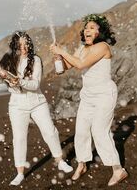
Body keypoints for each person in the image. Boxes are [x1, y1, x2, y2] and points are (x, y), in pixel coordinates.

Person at [50, 14, 128, 186]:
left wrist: (62, 51)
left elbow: (80, 65)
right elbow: (66, 68)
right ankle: (82, 164)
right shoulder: (82, 48)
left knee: (100, 132)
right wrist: (58, 59)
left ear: (100, 32)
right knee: (82, 131)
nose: (87, 30)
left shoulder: (103, 46)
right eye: (86, 28)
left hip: (104, 94)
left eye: (92, 28)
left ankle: (118, 170)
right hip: (88, 95)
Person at [0, 31, 73, 186]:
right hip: (17, 105)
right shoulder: (7, 60)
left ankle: (60, 160)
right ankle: (20, 173)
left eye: (26, 43)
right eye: (20, 44)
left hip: (37, 102)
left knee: (50, 131)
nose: (24, 47)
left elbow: (35, 85)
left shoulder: (35, 60)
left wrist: (19, 81)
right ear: (15, 45)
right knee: (19, 139)